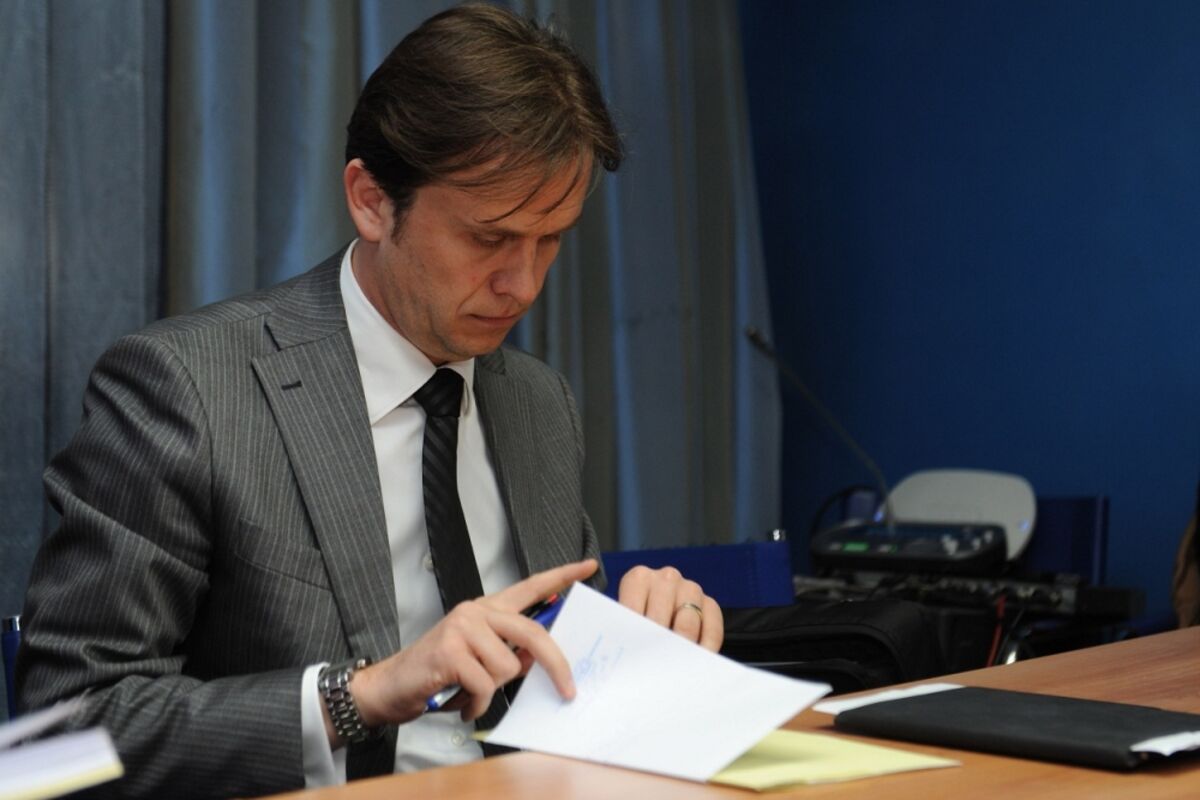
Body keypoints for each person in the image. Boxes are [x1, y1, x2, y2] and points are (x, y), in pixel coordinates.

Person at [16, 5, 722, 799]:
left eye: (551, 238)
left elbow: (550, 690)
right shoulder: (190, 390)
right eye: (490, 239)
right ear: (371, 200)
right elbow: (62, 733)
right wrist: (359, 695)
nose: (523, 284)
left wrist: (636, 641)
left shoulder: (536, 402)